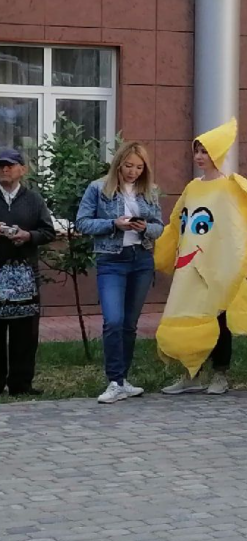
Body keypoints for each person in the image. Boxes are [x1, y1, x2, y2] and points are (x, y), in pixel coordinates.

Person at [157, 120, 247, 394]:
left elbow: (235, 226)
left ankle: (220, 374)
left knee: (218, 318)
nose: (199, 157)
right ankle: (191, 374)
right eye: (197, 151)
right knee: (188, 312)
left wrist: (235, 261)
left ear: (217, 153)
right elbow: (179, 221)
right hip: (190, 264)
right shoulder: (192, 187)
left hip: (216, 265)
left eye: (205, 152)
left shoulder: (228, 187)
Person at [75, 142, 164, 404]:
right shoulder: (98, 188)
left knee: (129, 324)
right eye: (128, 166)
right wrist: (113, 224)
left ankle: (123, 380)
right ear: (118, 164)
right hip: (111, 260)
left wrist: (144, 227)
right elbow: (82, 223)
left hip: (141, 259)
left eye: (139, 167)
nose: (133, 172)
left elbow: (159, 227)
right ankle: (114, 381)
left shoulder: (150, 191)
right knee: (113, 320)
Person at [0, 148, 55, 397]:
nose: (4, 169)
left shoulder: (34, 199)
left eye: (10, 165)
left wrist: (28, 235)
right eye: (1, 165)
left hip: (24, 275)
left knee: (25, 332)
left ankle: (21, 384)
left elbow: (48, 231)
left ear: (22, 169)